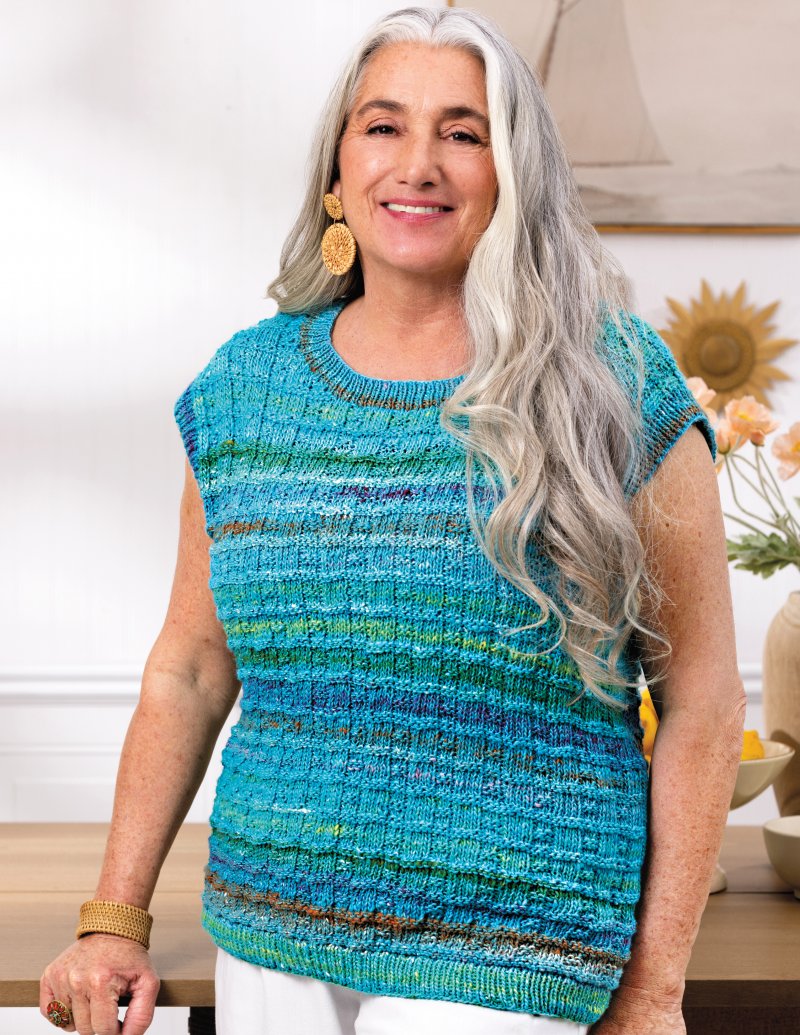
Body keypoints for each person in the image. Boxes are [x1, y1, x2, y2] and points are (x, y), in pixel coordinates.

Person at [40, 7, 746, 1035]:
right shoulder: (243, 389)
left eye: (463, 133)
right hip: (269, 936)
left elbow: (704, 702)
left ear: (512, 174)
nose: (418, 164)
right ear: (337, 169)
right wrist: (114, 918)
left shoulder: (614, 383)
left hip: (514, 958)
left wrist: (653, 991)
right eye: (383, 126)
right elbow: (189, 667)